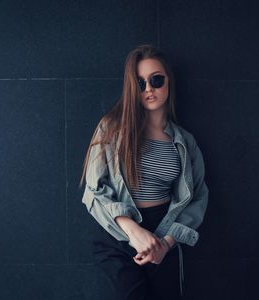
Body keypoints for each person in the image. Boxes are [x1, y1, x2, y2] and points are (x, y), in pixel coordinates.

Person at [79, 44, 209, 300]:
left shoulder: (184, 141)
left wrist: (167, 243)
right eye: (140, 83)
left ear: (168, 82)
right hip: (118, 233)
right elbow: (93, 191)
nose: (149, 89)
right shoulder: (111, 129)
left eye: (156, 80)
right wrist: (134, 231)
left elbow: (198, 197)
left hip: (164, 231)